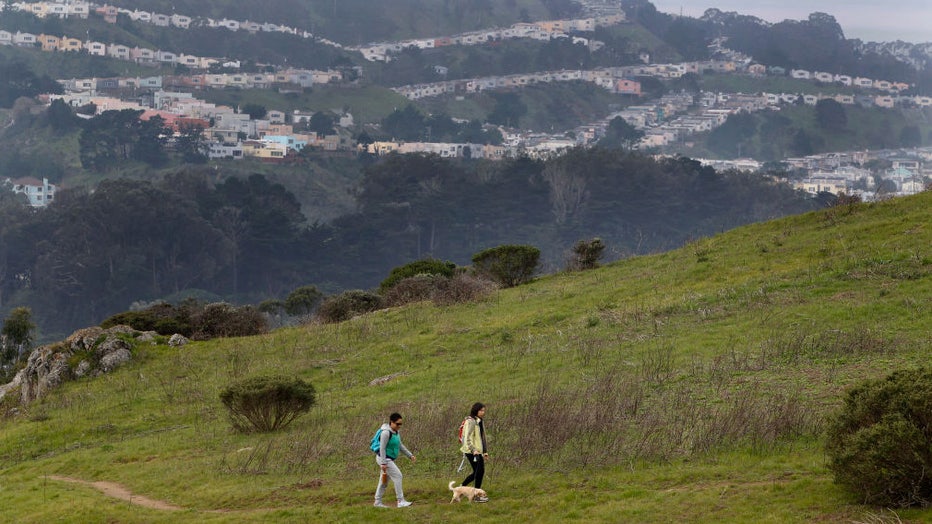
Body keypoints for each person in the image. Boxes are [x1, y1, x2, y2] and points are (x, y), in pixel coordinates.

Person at [373, 412, 416, 508]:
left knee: (383, 481)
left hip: (388, 459)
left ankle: (377, 502)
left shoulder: (396, 432)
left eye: (401, 424)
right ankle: (400, 501)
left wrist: (410, 455)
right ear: (391, 422)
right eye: (397, 424)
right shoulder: (385, 433)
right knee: (398, 476)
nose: (399, 426)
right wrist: (383, 463)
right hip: (384, 459)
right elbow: (382, 448)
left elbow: (400, 445)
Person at [460, 402, 489, 502]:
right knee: (480, 472)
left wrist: (485, 451)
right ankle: (477, 496)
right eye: (481, 410)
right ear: (476, 410)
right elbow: (468, 438)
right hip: (471, 451)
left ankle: (461, 488)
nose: (483, 412)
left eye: (484, 410)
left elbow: (482, 437)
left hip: (478, 451)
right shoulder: (471, 421)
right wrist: (473, 450)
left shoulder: (479, 421)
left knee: (477, 472)